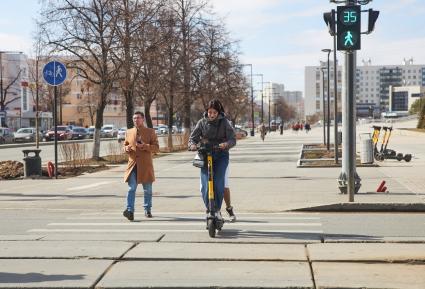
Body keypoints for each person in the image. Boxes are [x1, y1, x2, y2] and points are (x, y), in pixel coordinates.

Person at [189, 99, 236, 221]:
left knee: (218, 183)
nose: (212, 114)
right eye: (210, 112)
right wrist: (192, 145)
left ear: (218, 112)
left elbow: (233, 139)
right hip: (205, 154)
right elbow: (192, 138)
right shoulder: (202, 122)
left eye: (214, 112)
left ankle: (217, 210)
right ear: (207, 112)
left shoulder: (224, 122)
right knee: (205, 185)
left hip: (221, 155)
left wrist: (226, 144)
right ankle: (210, 209)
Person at [122, 111, 159, 221]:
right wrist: (126, 149)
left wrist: (144, 146)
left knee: (147, 190)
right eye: (134, 118)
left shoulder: (150, 131)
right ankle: (130, 211)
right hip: (133, 165)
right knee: (131, 189)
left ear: (143, 119)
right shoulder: (128, 132)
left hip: (145, 166)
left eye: (138, 118)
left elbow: (156, 147)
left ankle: (147, 209)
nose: (136, 120)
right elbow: (125, 146)